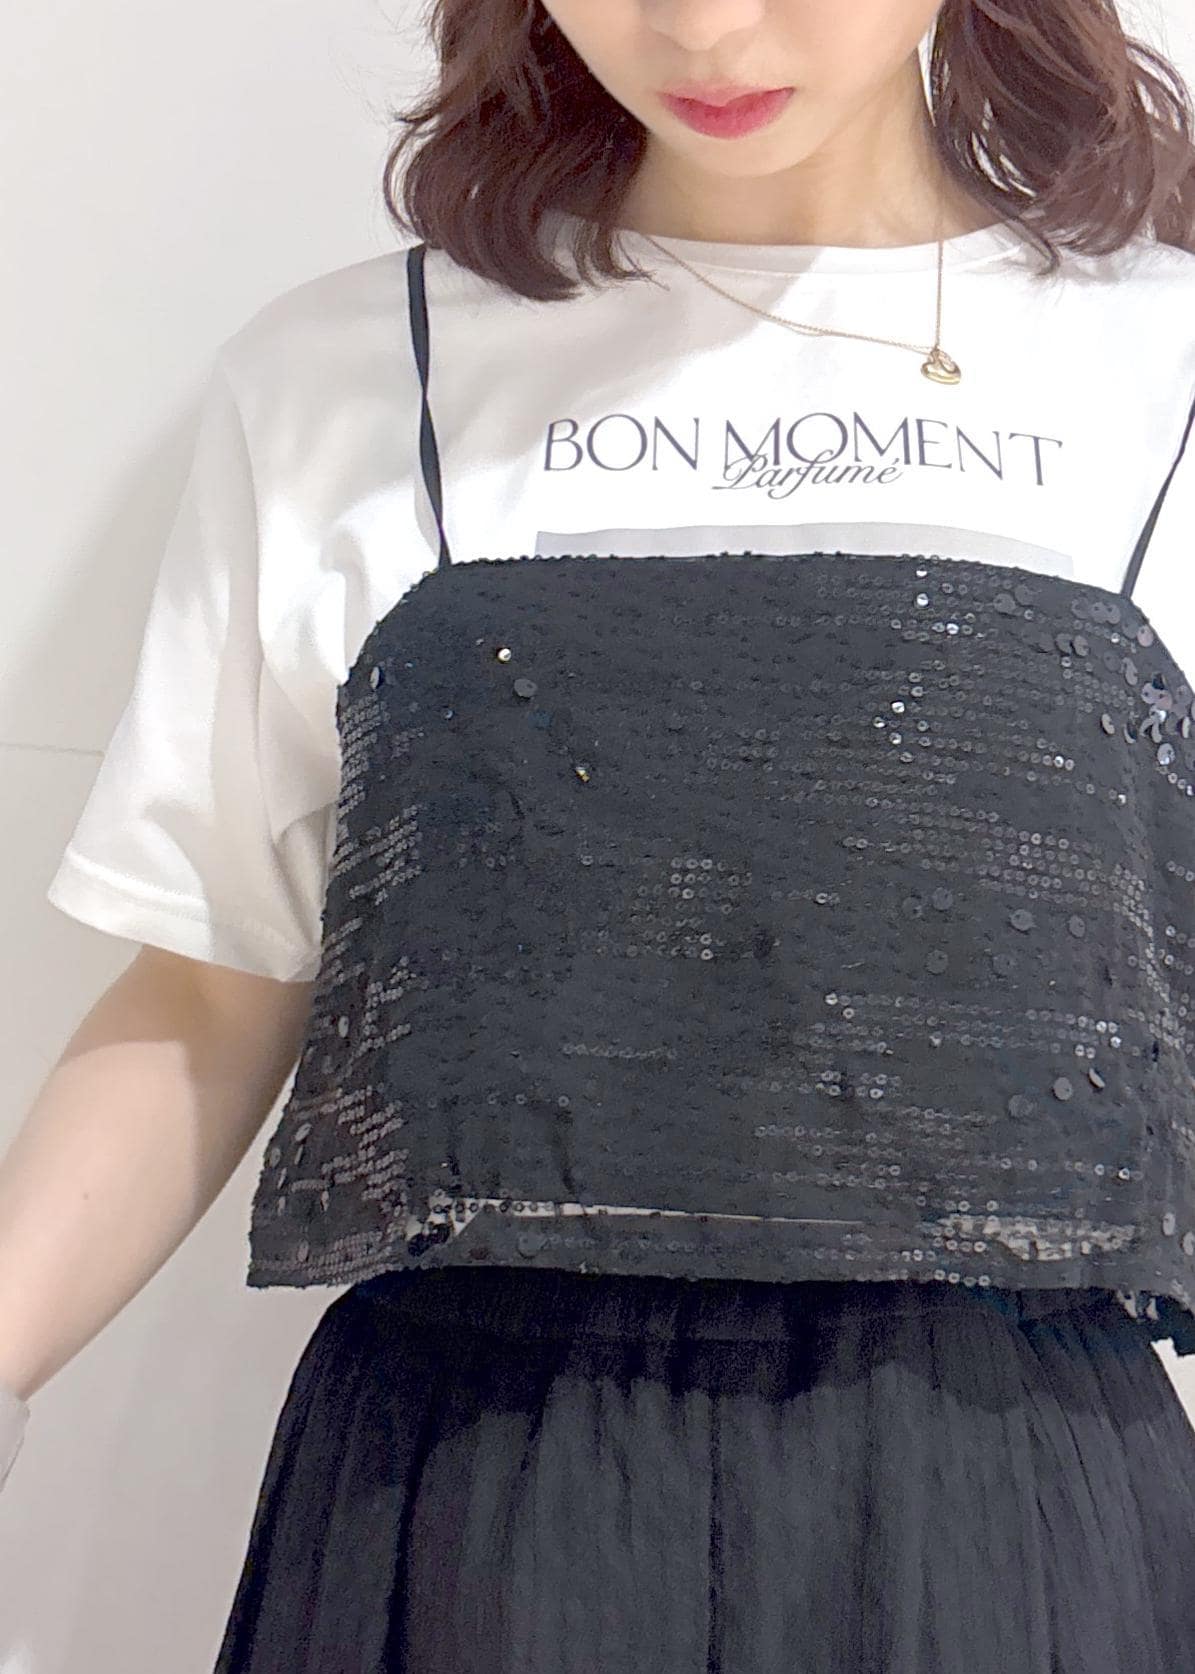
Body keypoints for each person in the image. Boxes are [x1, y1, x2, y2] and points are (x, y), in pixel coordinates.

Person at [5, 0, 1195, 1666]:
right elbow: (214, 983)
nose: (703, 24)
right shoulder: (354, 379)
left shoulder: (1164, 372)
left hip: (1008, 1521)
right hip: (474, 1502)